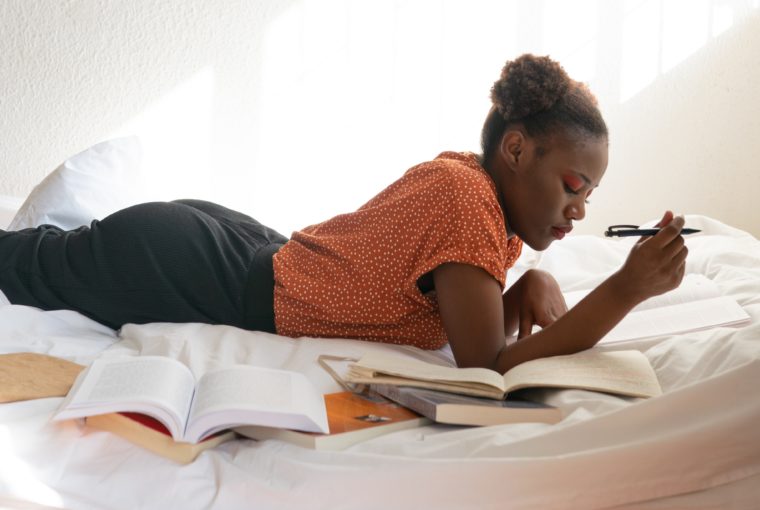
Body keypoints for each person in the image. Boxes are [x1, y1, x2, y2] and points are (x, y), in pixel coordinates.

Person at [0, 54, 687, 374]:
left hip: (238, 251)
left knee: (47, 253)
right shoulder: (465, 205)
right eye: (573, 184)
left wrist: (523, 291)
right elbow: (485, 364)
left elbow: (453, 323)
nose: (580, 208)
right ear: (514, 150)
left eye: (590, 195)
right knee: (20, 265)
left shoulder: (474, 192)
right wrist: (624, 289)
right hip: (196, 267)